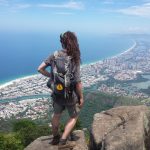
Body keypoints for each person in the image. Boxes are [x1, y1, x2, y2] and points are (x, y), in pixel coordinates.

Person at [37, 31, 83, 149]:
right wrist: (81, 97)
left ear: (62, 42)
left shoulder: (55, 55)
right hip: (70, 95)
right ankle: (63, 141)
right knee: (73, 116)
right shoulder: (74, 58)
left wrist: (51, 76)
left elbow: (40, 68)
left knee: (56, 115)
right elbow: (77, 82)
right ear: (74, 43)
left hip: (57, 94)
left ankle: (55, 137)